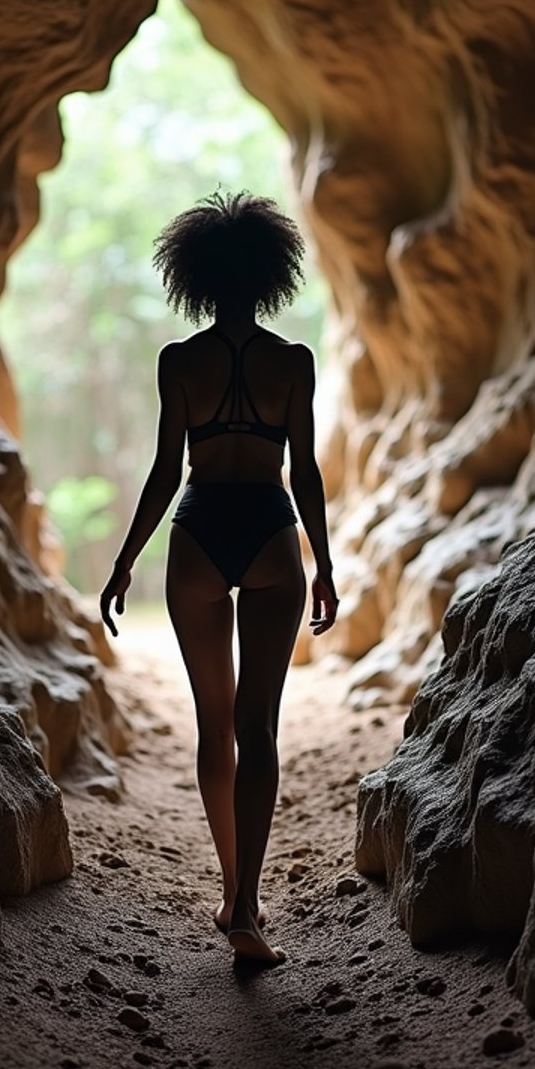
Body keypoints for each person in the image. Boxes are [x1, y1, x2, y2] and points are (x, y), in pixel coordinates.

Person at [99, 190, 338, 965]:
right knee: (259, 727)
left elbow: (167, 471)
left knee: (214, 725)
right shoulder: (293, 363)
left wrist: (126, 557)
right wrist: (324, 562)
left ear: (195, 275)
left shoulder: (180, 362)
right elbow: (304, 472)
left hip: (199, 533)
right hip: (271, 531)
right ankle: (247, 909)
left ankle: (230, 884)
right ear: (271, 272)